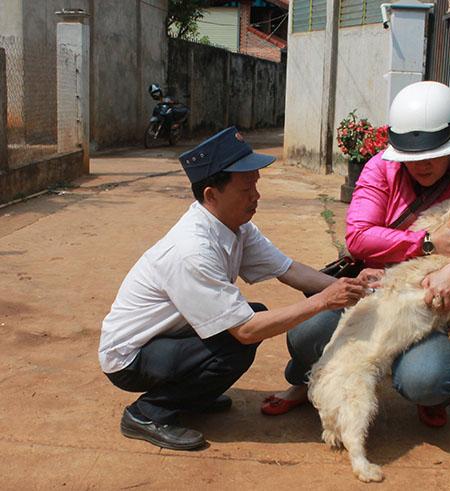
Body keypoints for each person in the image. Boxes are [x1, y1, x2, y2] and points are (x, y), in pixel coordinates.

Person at [99, 127, 381, 451]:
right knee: (238, 342)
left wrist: (349, 287)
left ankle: (192, 396)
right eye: (246, 188)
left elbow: (288, 270)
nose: (256, 195)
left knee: (254, 317)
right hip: (132, 356)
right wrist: (322, 302)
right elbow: (245, 332)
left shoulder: (237, 227)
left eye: (256, 185)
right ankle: (147, 413)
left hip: (169, 338)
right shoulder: (192, 250)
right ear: (211, 195)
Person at [262, 82, 450, 426]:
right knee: (306, 334)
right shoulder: (381, 169)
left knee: (424, 380)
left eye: (432, 155)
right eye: (411, 157)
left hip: (436, 305)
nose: (421, 165)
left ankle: (432, 391)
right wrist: (426, 243)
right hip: (374, 291)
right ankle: (305, 382)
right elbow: (359, 237)